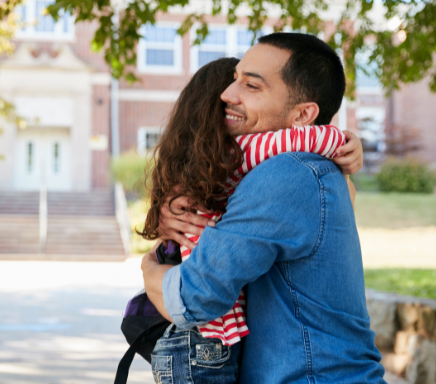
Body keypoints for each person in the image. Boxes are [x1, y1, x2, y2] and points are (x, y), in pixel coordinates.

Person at [141, 33, 386, 383]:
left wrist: (149, 269)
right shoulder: (299, 168)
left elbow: (194, 298)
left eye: (252, 86)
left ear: (304, 114)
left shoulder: (286, 172)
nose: (228, 94)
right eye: (235, 79)